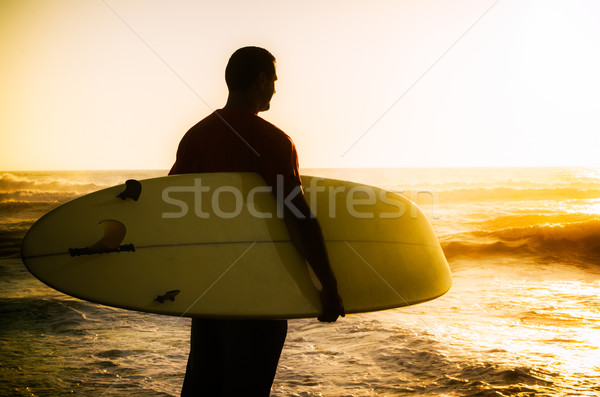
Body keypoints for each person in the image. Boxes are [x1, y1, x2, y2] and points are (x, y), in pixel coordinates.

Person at [169, 46, 344, 397]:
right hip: (260, 290)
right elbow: (297, 215)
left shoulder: (195, 137)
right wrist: (328, 284)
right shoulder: (273, 141)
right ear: (261, 80)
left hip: (209, 291)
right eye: (274, 80)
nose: (276, 89)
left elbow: (172, 209)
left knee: (203, 386)